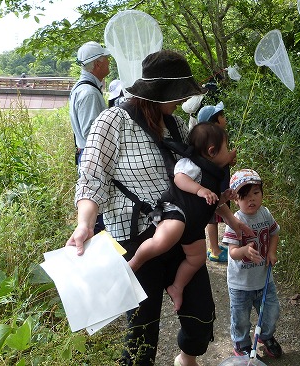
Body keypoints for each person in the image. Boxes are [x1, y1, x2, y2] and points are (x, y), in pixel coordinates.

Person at [66, 50, 250, 366]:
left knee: (201, 316)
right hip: (136, 237)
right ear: (159, 92)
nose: (180, 101)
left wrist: (228, 214)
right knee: (142, 332)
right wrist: (85, 224)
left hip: (182, 231)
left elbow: (198, 174)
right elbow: (92, 178)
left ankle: (186, 358)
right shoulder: (112, 122)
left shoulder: (176, 125)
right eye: (176, 95)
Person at [127, 121, 238, 312]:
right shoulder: (193, 164)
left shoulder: (215, 172)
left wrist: (224, 197)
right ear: (212, 151)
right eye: (226, 148)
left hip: (193, 226)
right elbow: (179, 178)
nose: (229, 152)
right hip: (177, 212)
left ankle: (176, 287)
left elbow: (214, 202)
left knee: (197, 258)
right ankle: (133, 264)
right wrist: (200, 190)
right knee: (164, 240)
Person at [223, 169, 283, 359]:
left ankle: (266, 336)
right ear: (236, 199)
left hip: (264, 279)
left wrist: (272, 252)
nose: (252, 200)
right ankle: (242, 343)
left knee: (272, 312)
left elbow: (274, 233)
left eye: (256, 193)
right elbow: (232, 252)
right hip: (240, 284)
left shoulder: (265, 213)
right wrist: (244, 251)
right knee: (241, 318)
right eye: (245, 196)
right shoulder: (235, 221)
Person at [69, 41, 111, 234]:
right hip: (93, 157)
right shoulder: (89, 93)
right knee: (99, 212)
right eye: (106, 60)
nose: (109, 63)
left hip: (86, 154)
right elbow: (92, 133)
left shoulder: (82, 88)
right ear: (97, 65)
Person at [198, 102, 231, 263]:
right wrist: (230, 157)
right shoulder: (212, 142)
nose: (224, 119)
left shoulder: (219, 137)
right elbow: (216, 163)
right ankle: (215, 250)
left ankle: (215, 246)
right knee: (213, 215)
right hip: (215, 184)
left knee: (218, 211)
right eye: (221, 116)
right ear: (215, 121)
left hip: (222, 181)